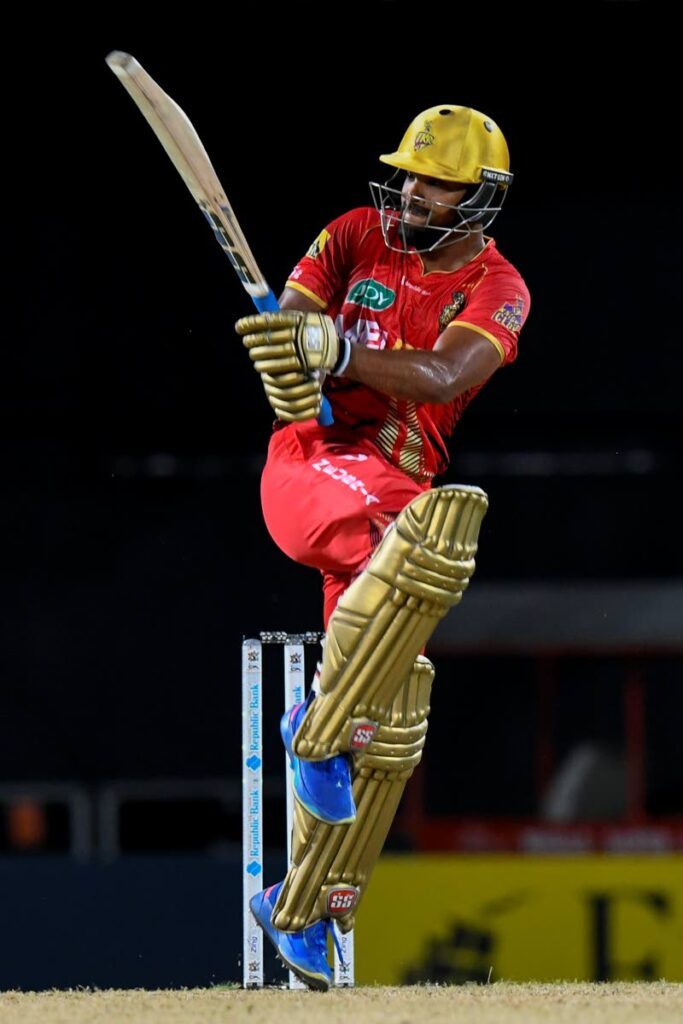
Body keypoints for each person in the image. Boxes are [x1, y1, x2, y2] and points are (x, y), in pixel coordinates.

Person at [236, 104, 530, 990]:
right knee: (418, 542)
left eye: (432, 180)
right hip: (313, 465)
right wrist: (292, 344)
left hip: (396, 490)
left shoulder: (499, 287)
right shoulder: (356, 233)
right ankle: (310, 724)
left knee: (393, 726)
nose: (409, 189)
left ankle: (302, 913)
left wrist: (337, 354)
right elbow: (292, 317)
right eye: (406, 172)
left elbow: (443, 374)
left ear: (475, 199)